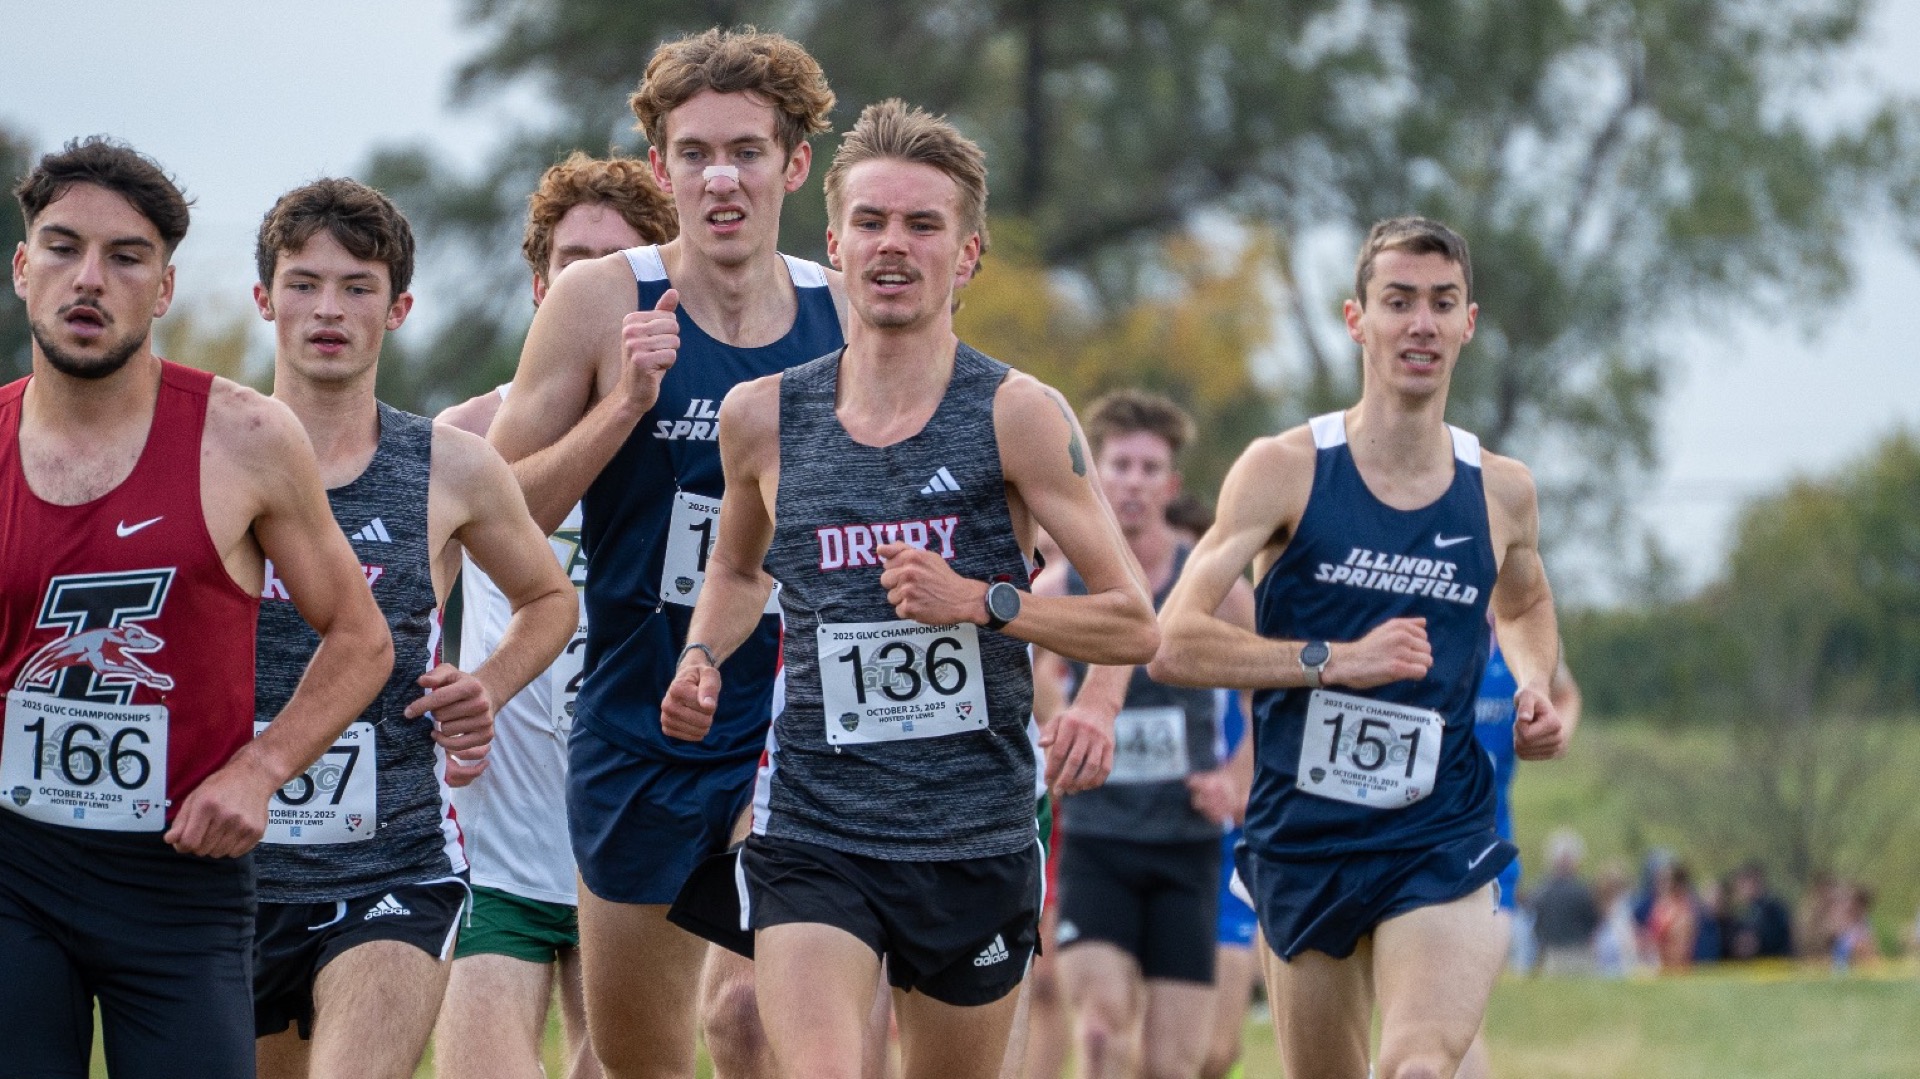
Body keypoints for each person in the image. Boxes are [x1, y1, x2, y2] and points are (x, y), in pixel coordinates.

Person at [662, 98, 1159, 1079]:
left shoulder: (1017, 414)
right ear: (836, 243)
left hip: (971, 831)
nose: (896, 246)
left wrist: (985, 601)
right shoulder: (762, 417)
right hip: (813, 822)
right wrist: (701, 654)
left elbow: (1132, 621)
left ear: (966, 254)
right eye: (875, 224)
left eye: (924, 225)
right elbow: (734, 564)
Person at [487, 27, 843, 1079]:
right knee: (641, 1055)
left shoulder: (845, 313)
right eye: (694, 152)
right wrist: (624, 407)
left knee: (748, 1008)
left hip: (795, 713)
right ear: (661, 168)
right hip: (638, 710)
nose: (720, 176)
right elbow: (496, 508)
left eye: (745, 149)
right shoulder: (599, 301)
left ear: (794, 165)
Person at [0, 137, 392, 1079]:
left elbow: (361, 637)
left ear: (164, 288)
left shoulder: (246, 436)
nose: (88, 278)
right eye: (61, 247)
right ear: (22, 268)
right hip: (13, 865)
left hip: (180, 873)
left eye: (126, 257)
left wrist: (259, 770)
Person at [1151, 216, 1571, 1079]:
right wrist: (1332, 660)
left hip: (1440, 829)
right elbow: (1174, 642)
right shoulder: (1284, 469)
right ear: (1357, 320)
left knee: (1417, 1066)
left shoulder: (1501, 489)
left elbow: (1525, 601)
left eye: (1441, 304)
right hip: (1303, 837)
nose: (1420, 323)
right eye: (1398, 302)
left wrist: (1533, 683)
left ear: (1468, 323)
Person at [248, 178, 578, 1079]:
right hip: (230, 862)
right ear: (264, 298)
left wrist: (490, 685)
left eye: (357, 287)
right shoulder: (209, 451)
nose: (328, 308)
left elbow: (552, 598)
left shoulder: (450, 466)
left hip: (392, 855)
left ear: (397, 308)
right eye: (304, 282)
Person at [434, 150, 676, 1079]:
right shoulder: (466, 434)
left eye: (616, 270)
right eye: (573, 265)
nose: (590, 291)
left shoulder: (702, 433)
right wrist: (447, 710)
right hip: (500, 820)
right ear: (539, 282)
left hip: (633, 814)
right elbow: (407, 610)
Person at [1045, 390, 1255, 1079]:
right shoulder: (1060, 585)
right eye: (1120, 465)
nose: (1132, 481)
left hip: (1188, 846)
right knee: (1101, 1035)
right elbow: (1022, 685)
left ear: (1170, 484)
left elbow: (1263, 698)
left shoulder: (1214, 583)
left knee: (1176, 1064)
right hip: (1096, 840)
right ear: (1096, 475)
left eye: (1148, 468)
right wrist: (1054, 722)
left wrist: (1236, 779)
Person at [1528, 829, 1600, 975]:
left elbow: (1536, 925)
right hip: (1579, 953)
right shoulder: (1582, 891)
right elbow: (1593, 921)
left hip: (1552, 955)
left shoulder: (1541, 892)